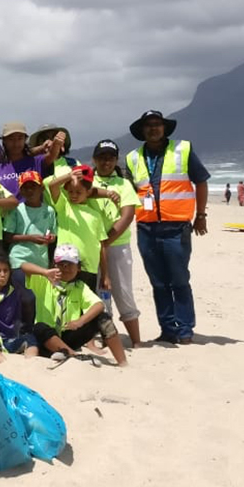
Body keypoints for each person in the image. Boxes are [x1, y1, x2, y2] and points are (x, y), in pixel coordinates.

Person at [125, 109, 210, 345]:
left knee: (179, 280)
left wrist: (201, 215)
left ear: (164, 128)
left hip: (176, 226)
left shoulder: (183, 150)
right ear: (142, 131)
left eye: (157, 124)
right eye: (149, 125)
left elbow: (201, 181)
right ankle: (167, 328)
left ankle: (184, 330)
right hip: (146, 228)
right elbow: (130, 192)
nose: (153, 128)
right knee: (159, 282)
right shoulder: (132, 158)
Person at [32, 245, 127, 366]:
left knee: (103, 318)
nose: (65, 268)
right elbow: (24, 267)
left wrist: (80, 321)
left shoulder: (80, 287)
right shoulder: (44, 282)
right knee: (39, 327)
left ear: (78, 267)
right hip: (46, 340)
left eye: (70, 264)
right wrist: (45, 272)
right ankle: (75, 357)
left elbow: (99, 305)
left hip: (68, 335)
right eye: (61, 264)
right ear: (54, 266)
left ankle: (123, 362)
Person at [92, 140, 143, 347]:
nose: (106, 162)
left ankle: (137, 341)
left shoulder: (123, 184)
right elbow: (81, 193)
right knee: (98, 292)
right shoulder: (88, 180)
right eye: (102, 157)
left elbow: (127, 215)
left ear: (116, 160)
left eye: (111, 158)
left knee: (122, 290)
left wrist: (106, 241)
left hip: (116, 245)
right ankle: (107, 336)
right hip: (90, 245)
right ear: (95, 159)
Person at [46, 165, 111, 292]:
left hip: (89, 269)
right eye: (70, 191)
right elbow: (52, 186)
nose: (73, 195)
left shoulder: (96, 216)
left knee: (87, 305)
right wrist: (69, 176)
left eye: (78, 192)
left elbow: (101, 246)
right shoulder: (64, 207)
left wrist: (105, 275)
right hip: (65, 266)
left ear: (88, 192)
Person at [4, 170, 57, 308]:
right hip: (19, 259)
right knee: (25, 298)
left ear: (41, 188)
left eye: (33, 186)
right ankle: (23, 328)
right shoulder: (16, 210)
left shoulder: (49, 211)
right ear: (20, 190)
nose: (29, 190)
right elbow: (7, 236)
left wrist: (51, 238)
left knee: (39, 301)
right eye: (25, 187)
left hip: (40, 261)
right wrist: (30, 238)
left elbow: (54, 233)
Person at [0, 122, 40, 195]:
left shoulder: (37, 162)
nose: (16, 143)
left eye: (20, 138)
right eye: (11, 139)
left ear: (25, 140)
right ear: (4, 141)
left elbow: (52, 154)